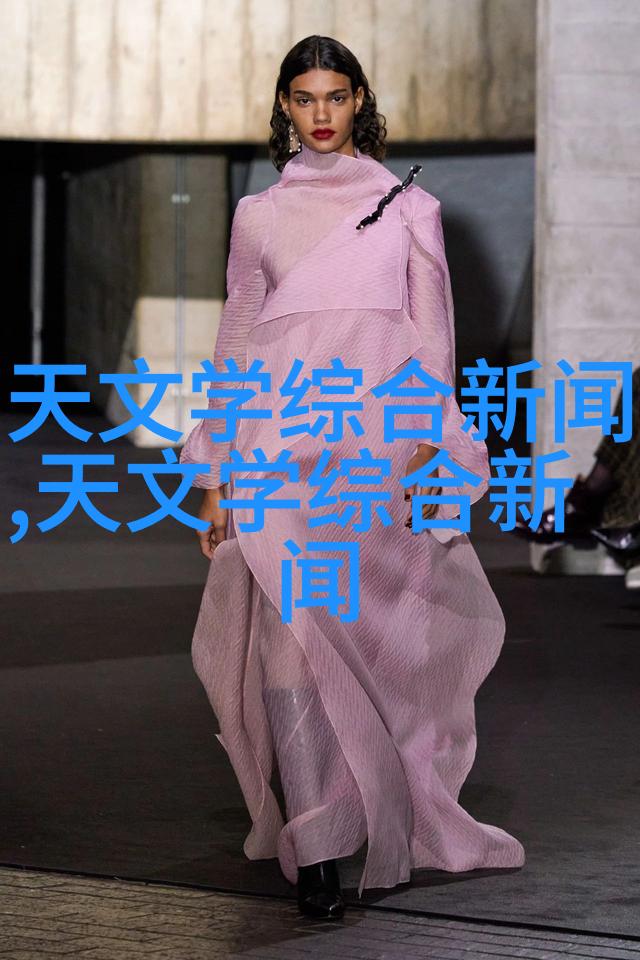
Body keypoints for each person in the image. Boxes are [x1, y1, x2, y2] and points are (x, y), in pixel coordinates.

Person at [180, 35, 525, 920]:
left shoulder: (410, 208)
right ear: (285, 106)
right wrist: (216, 475)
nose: (322, 113)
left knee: (370, 643)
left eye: (336, 96)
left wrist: (429, 447)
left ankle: (370, 804)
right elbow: (237, 342)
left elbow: (434, 341)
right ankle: (318, 847)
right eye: (305, 98)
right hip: (276, 450)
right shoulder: (258, 215)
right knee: (288, 638)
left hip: (371, 454)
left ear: (359, 100)